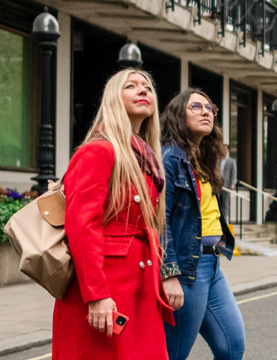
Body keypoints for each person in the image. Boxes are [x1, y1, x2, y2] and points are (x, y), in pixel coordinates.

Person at [53, 69, 173, 359]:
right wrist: (96, 296)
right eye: (131, 86)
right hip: (107, 285)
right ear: (113, 99)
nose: (143, 90)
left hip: (140, 284)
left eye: (147, 87)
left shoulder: (144, 155)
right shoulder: (99, 150)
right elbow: (82, 225)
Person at [160, 88, 245, 360]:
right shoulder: (169, 158)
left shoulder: (203, 160)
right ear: (178, 114)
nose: (206, 112)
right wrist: (169, 273)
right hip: (186, 267)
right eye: (196, 107)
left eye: (210, 108)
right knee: (174, 353)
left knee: (231, 347)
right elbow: (159, 221)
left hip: (212, 264)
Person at [219, 144, 237, 220]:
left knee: (225, 204)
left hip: (226, 185)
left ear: (228, 150)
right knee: (218, 203)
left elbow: (234, 173)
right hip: (218, 185)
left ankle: (225, 220)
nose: (224, 151)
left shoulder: (232, 161)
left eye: (225, 149)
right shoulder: (219, 160)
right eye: (223, 149)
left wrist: (233, 184)